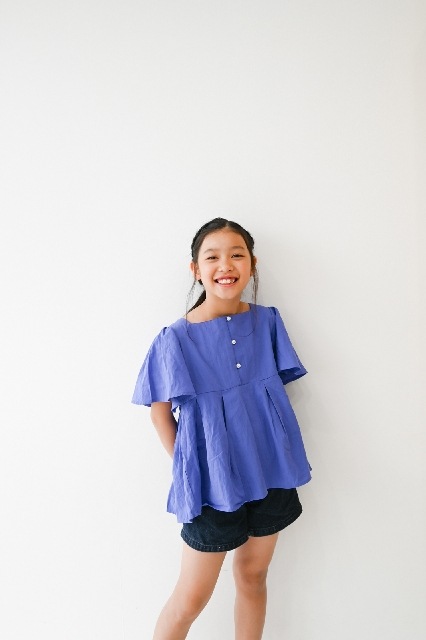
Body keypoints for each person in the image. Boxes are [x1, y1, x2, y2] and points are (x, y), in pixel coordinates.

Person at [132, 218, 311, 640]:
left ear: (252, 264)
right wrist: (193, 469)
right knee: (190, 599)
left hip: (271, 472)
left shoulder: (268, 322)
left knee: (252, 575)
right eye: (212, 257)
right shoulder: (174, 339)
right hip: (212, 486)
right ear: (196, 269)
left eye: (237, 255)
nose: (226, 265)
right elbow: (159, 413)